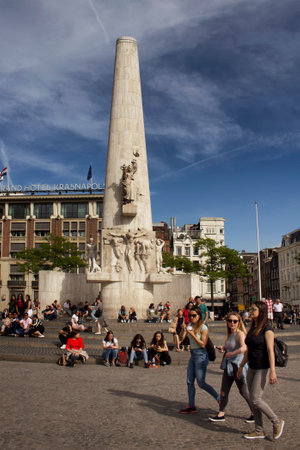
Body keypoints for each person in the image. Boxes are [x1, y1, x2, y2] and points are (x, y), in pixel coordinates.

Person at [237, 301, 284, 440]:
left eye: (253, 309)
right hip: (251, 366)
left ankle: (276, 421)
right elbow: (249, 349)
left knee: (256, 399)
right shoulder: (252, 327)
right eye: (250, 309)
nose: (250, 311)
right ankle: (259, 430)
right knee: (253, 400)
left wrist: (273, 371)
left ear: (261, 312)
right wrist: (241, 366)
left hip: (262, 367)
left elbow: (270, 351)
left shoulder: (267, 329)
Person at [209, 312, 254, 422]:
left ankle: (254, 412)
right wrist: (223, 348)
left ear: (239, 322)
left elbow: (244, 348)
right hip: (228, 365)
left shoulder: (240, 334)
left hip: (238, 366)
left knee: (244, 392)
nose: (232, 323)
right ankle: (221, 413)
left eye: (235, 321)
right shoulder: (230, 333)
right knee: (224, 390)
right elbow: (229, 346)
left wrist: (232, 353)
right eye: (230, 321)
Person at [179, 306, 219, 414]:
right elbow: (181, 340)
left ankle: (219, 398)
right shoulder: (190, 326)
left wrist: (192, 335)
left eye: (194, 315)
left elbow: (203, 344)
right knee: (189, 381)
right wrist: (184, 331)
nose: (191, 318)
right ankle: (191, 406)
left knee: (201, 383)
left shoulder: (203, 328)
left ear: (199, 316)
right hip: (193, 355)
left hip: (201, 356)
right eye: (190, 315)